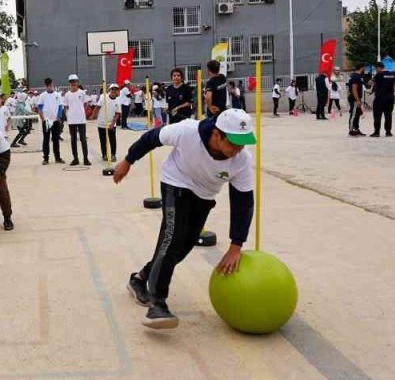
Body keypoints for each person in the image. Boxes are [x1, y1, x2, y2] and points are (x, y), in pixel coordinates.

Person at [113, 109, 255, 330]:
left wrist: (236, 245)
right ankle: (157, 304)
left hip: (204, 195)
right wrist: (128, 161)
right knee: (172, 239)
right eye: (234, 144)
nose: (238, 150)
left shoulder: (242, 160)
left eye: (243, 144)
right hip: (175, 182)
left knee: (184, 247)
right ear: (217, 135)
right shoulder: (187, 132)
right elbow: (151, 138)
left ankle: (140, 279)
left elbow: (243, 203)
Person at [63, 74, 91, 166]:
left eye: (75, 81)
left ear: (77, 82)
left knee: (83, 139)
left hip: (81, 120)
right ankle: (75, 159)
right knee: (73, 140)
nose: (73, 83)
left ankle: (85, 159)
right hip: (72, 120)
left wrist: (83, 114)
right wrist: (67, 116)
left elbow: (85, 104)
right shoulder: (67, 94)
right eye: (71, 82)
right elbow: (65, 107)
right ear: (69, 83)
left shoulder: (82, 93)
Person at [35, 78, 64, 165]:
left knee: (55, 139)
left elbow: (60, 106)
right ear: (45, 86)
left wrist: (59, 116)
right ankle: (46, 158)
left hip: (55, 121)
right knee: (46, 139)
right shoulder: (42, 96)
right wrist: (42, 117)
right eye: (47, 86)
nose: (49, 87)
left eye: (50, 85)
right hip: (47, 121)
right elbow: (39, 107)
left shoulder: (57, 95)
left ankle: (57, 158)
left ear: (52, 85)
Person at [93, 83, 121, 163]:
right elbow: (97, 107)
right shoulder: (103, 97)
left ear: (117, 91)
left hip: (111, 124)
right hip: (101, 123)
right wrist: (93, 115)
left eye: (115, 89)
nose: (114, 91)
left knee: (112, 140)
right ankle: (104, 155)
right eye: (112, 89)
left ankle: (113, 155)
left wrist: (113, 124)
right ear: (110, 90)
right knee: (103, 140)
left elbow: (117, 113)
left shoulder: (118, 100)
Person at [370, 62, 395, 137]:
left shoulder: (378, 75)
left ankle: (377, 132)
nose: (376, 70)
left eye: (376, 68)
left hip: (380, 99)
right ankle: (388, 132)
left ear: (378, 67)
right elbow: (394, 85)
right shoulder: (392, 74)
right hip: (390, 98)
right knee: (388, 115)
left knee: (377, 116)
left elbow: (370, 83)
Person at [347, 68, 365, 136]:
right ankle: (351, 130)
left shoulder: (357, 76)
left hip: (357, 98)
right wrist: (357, 100)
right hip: (354, 99)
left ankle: (356, 129)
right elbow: (354, 89)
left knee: (357, 114)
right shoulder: (355, 77)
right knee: (353, 114)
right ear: (361, 68)